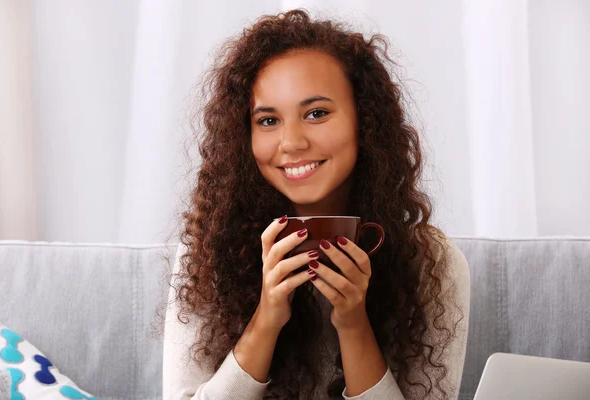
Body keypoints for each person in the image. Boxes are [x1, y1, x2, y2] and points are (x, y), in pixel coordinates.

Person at [163, 9, 470, 400]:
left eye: (317, 113)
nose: (291, 142)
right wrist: (267, 320)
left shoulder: (430, 261)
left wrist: (354, 326)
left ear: (365, 121)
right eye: (268, 121)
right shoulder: (208, 250)